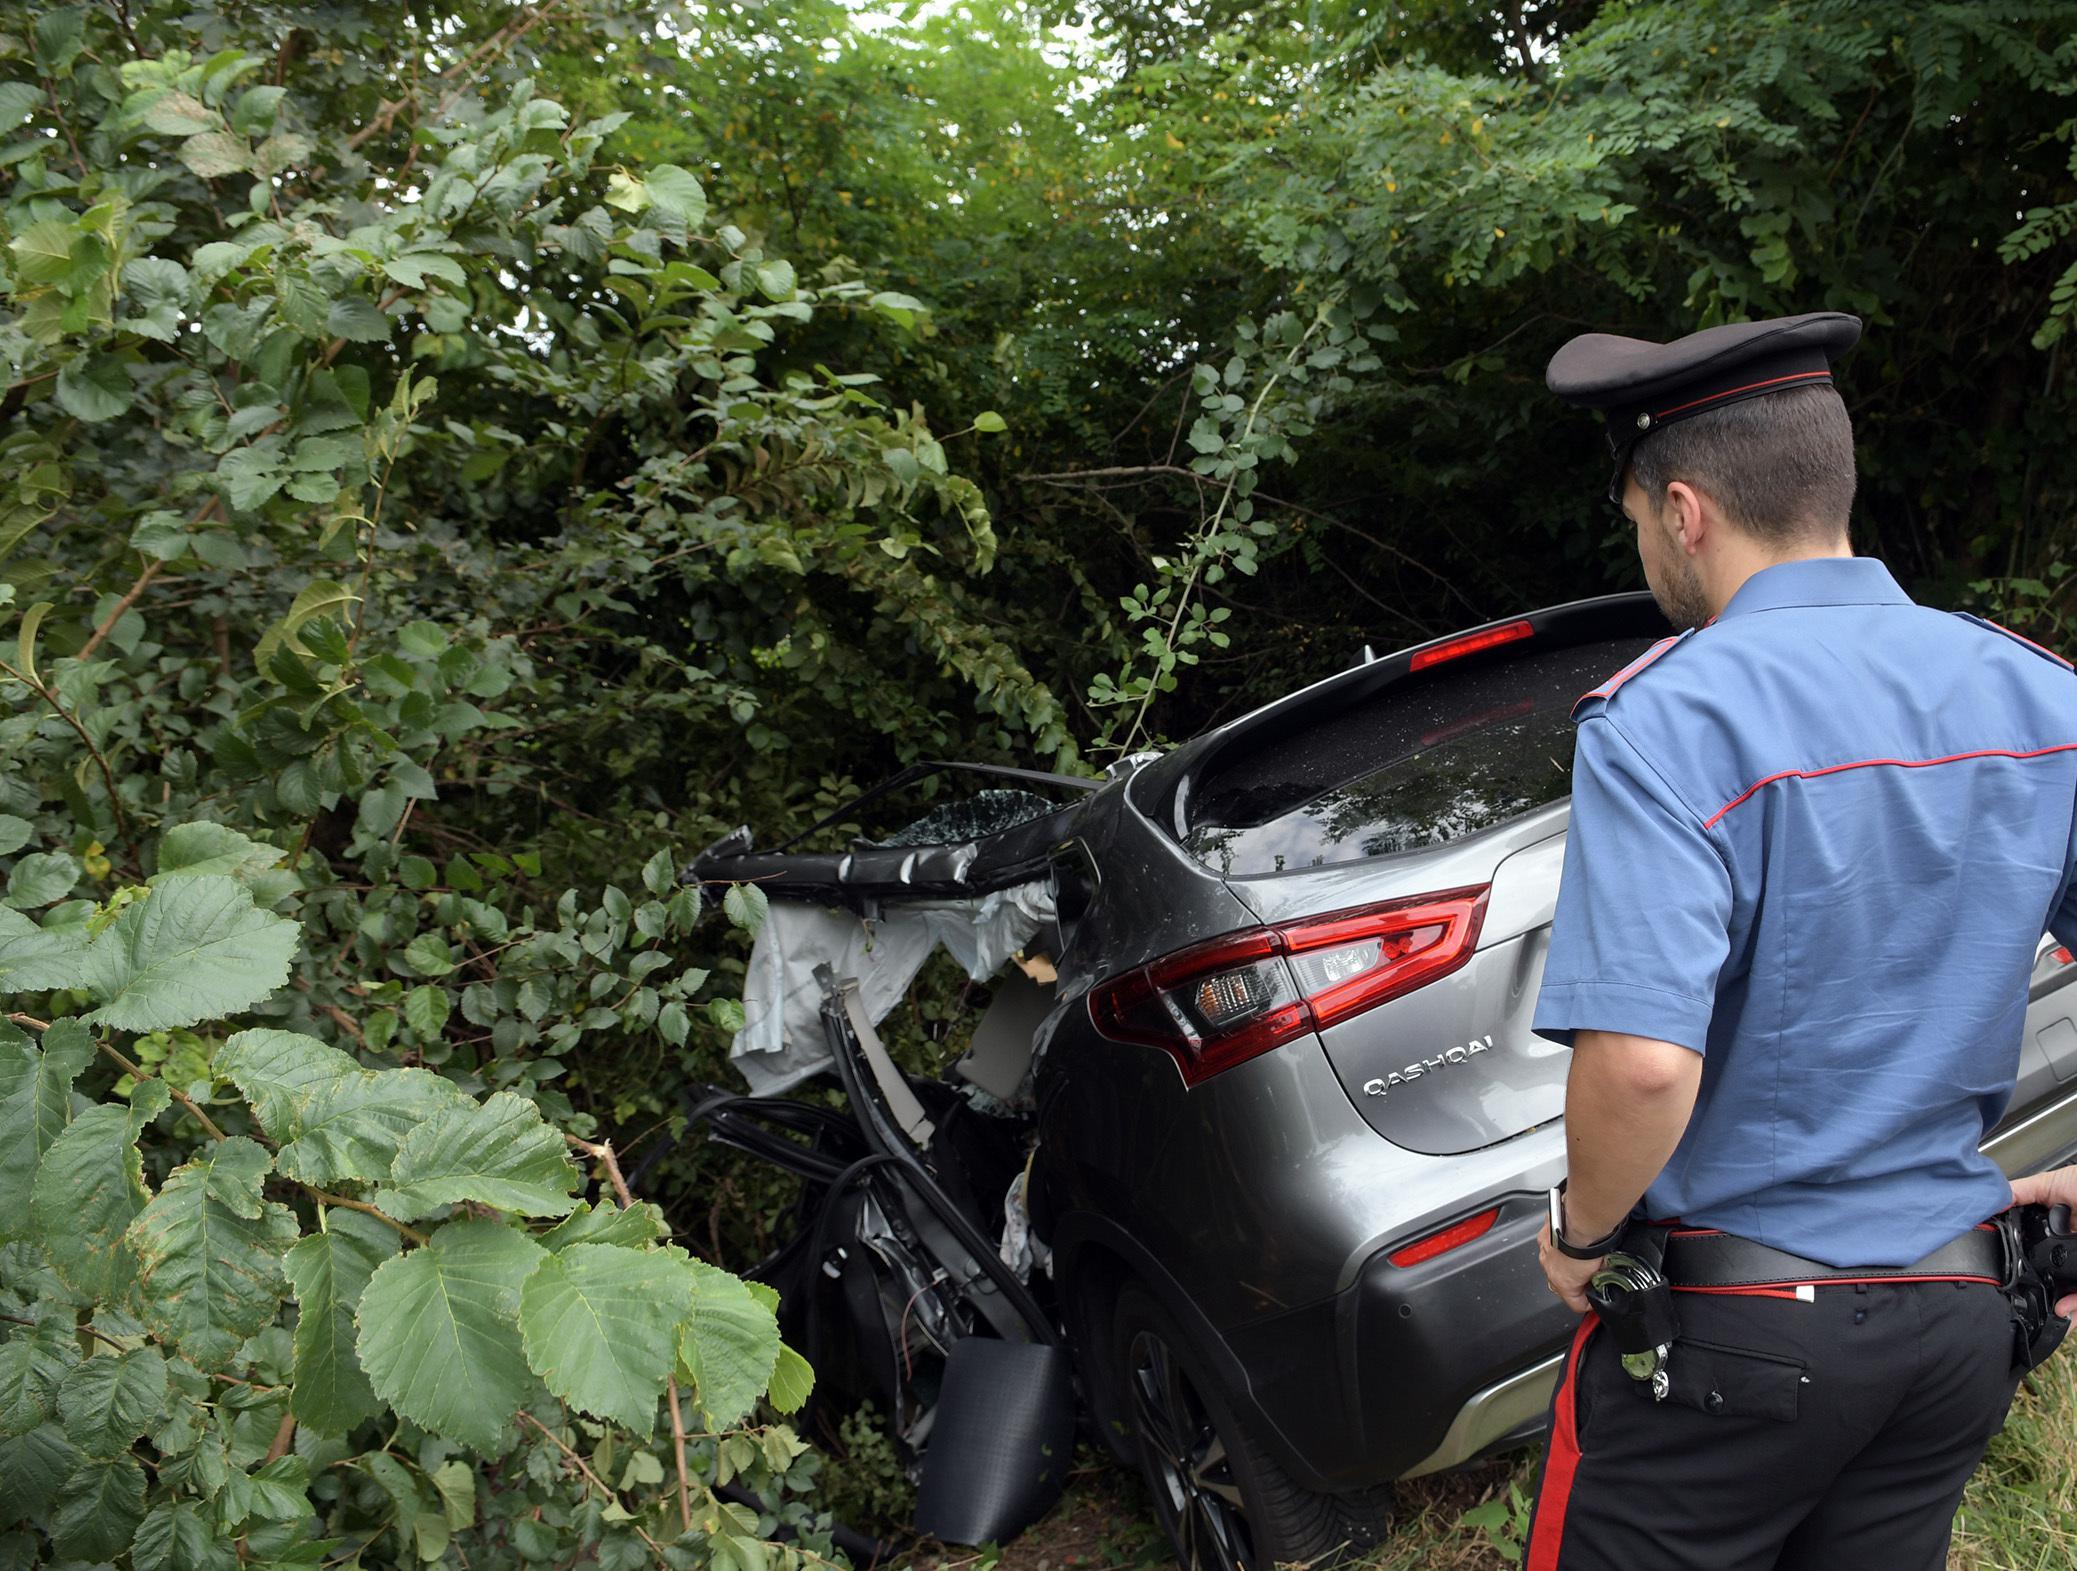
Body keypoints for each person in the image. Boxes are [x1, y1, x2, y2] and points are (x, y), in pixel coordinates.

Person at [1521, 310, 2077, 1570]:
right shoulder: (2039, 693)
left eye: (1636, 521)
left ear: (1684, 509)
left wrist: (1585, 1238)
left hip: (1733, 1332)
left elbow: (1646, 1062)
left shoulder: (1671, 715)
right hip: (1955, 1321)